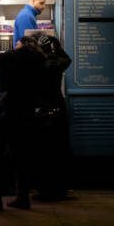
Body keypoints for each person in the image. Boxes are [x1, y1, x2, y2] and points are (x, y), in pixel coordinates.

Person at [0, 35, 48, 210]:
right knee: (21, 156)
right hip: (27, 111)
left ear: (20, 45)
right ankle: (23, 197)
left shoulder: (11, 56)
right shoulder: (40, 59)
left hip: (7, 112)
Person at [33, 34, 74, 201]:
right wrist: (55, 45)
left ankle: (45, 190)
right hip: (58, 111)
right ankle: (59, 189)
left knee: (44, 153)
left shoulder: (37, 66)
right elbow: (67, 58)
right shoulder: (58, 64)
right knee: (59, 151)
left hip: (43, 112)